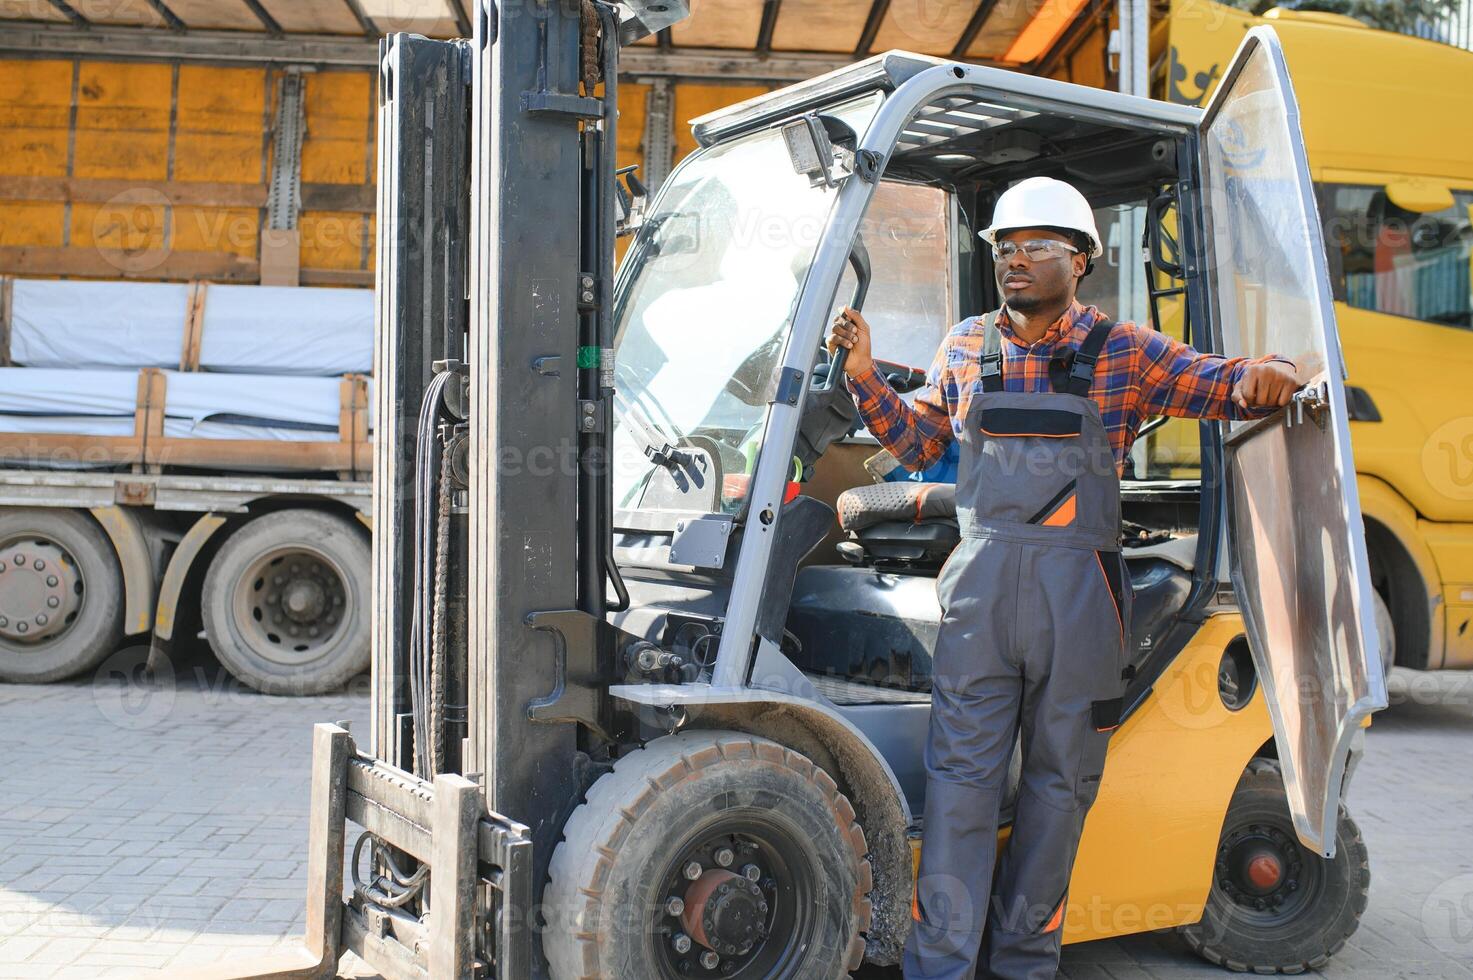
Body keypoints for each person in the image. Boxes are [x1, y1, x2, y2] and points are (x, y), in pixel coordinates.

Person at [826, 176, 1299, 980]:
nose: (1014, 260)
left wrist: (1274, 369)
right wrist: (865, 373)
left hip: (1078, 606)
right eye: (1004, 248)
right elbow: (915, 449)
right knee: (958, 792)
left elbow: (1222, 385)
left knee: (1055, 795)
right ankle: (937, 965)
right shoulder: (966, 344)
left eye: (1036, 246)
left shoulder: (1124, 350)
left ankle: (1021, 964)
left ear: (1081, 259)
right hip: (977, 599)